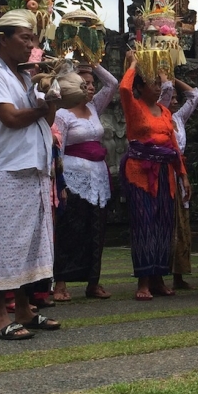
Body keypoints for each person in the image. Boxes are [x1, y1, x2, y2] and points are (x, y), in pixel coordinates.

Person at [0, 10, 61, 339]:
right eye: (25, 38)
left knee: (29, 243)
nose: (31, 45)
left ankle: (24, 309)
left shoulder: (25, 76)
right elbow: (10, 118)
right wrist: (42, 107)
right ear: (3, 38)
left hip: (34, 165)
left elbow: (47, 120)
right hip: (9, 168)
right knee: (5, 243)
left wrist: (51, 90)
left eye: (34, 39)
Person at [119, 49, 190, 300]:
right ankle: (143, 281)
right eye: (154, 83)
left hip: (165, 173)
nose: (160, 87)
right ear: (141, 86)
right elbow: (124, 90)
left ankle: (159, 277)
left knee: (163, 224)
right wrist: (134, 64)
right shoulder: (134, 105)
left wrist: (182, 175)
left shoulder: (165, 111)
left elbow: (171, 143)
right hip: (140, 172)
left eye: (160, 83)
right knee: (144, 224)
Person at [52, 62, 119, 301]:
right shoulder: (61, 114)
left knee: (96, 229)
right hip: (72, 175)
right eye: (84, 83)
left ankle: (93, 282)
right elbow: (57, 149)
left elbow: (112, 84)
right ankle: (60, 282)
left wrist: (95, 64)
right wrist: (58, 183)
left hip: (98, 176)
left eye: (91, 84)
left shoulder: (93, 107)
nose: (90, 87)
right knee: (71, 228)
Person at [159, 73, 198, 291]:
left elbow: (194, 96)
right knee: (167, 220)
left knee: (182, 221)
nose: (175, 101)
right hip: (164, 171)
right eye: (172, 97)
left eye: (176, 98)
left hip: (180, 170)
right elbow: (164, 98)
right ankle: (160, 275)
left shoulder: (178, 118)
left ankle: (179, 274)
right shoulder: (158, 115)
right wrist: (165, 83)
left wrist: (174, 80)